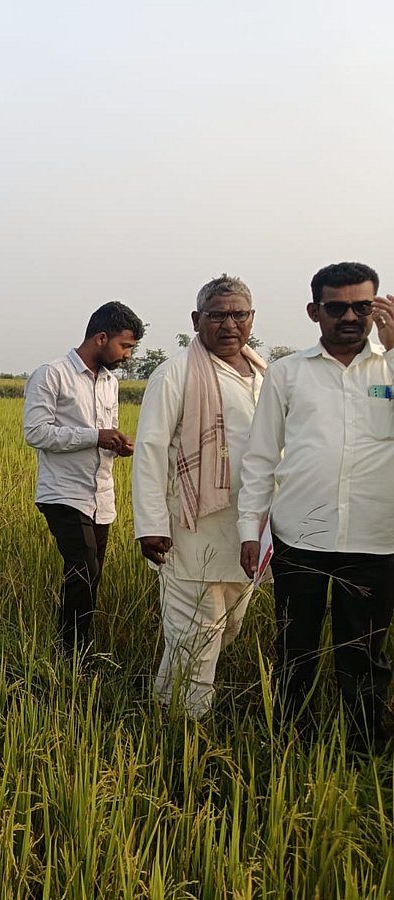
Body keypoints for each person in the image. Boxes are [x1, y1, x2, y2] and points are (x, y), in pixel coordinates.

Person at [239, 261, 394, 750]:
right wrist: (250, 527)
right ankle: (288, 741)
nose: (350, 316)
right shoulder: (287, 373)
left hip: (377, 538)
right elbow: (261, 455)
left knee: (365, 654)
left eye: (361, 306)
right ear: (314, 311)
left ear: (377, 307)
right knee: (295, 648)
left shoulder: (390, 364)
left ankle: (365, 751)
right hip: (299, 537)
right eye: (336, 306)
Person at [132, 276, 266, 717]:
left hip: (249, 532)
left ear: (251, 319)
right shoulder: (176, 373)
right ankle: (184, 726)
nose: (229, 324)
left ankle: (170, 705)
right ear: (197, 320)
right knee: (196, 633)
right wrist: (150, 526)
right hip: (190, 530)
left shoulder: (264, 373)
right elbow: (150, 450)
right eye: (217, 315)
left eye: (238, 314)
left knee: (227, 627)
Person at [23, 301, 143, 654]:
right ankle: (72, 652)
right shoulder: (51, 374)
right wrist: (95, 436)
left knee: (90, 576)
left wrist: (116, 443)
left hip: (100, 496)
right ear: (101, 338)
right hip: (61, 493)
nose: (127, 355)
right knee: (84, 569)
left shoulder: (110, 383)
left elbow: (105, 433)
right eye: (125, 346)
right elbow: (36, 433)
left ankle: (73, 645)